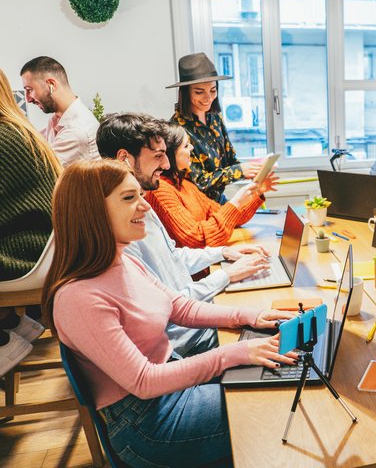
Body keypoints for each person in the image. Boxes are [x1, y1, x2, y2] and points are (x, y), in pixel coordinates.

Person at [41, 159, 298, 467]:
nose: (145, 207)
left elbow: (179, 307)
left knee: (277, 374)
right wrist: (237, 353)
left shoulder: (122, 259)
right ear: (91, 211)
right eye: (128, 198)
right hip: (147, 424)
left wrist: (248, 315)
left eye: (139, 195)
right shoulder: (77, 298)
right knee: (275, 398)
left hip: (167, 389)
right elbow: (145, 381)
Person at [97, 112, 271, 357]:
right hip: (187, 339)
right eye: (158, 156)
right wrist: (225, 276)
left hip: (196, 319)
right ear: (124, 158)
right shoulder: (120, 228)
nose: (166, 164)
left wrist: (222, 253)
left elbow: (174, 257)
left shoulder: (143, 202)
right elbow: (169, 305)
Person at [145, 122, 277, 249]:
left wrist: (256, 192)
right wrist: (236, 202)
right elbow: (198, 239)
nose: (192, 148)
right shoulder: (160, 190)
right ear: (170, 155)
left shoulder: (184, 184)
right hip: (196, 271)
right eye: (186, 146)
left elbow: (231, 219)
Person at [0, 68, 54, 375]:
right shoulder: (17, 127)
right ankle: (12, 325)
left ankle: (5, 337)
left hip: (25, 256)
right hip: (41, 249)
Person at [168, 52, 263, 203]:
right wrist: (239, 171)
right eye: (199, 92)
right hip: (195, 205)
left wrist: (255, 170)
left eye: (213, 90)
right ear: (185, 93)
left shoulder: (215, 118)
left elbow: (230, 159)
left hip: (218, 200)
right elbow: (200, 182)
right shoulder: (177, 129)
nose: (208, 98)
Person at [19, 56, 100, 166]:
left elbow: (39, 171)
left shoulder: (76, 131)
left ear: (51, 84)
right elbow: (32, 144)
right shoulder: (57, 119)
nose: (28, 99)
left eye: (30, 90)